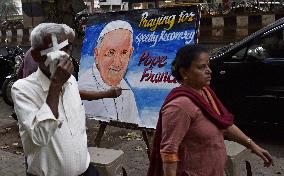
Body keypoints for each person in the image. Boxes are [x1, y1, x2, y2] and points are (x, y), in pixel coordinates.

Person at [147, 45, 273, 176]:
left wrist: (252, 145)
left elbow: (225, 125)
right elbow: (169, 152)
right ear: (184, 73)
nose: (209, 71)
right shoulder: (179, 107)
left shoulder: (206, 93)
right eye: (201, 67)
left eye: (208, 66)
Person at [11, 23, 98, 176]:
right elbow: (39, 137)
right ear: (36, 56)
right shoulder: (22, 89)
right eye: (54, 49)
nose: (63, 55)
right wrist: (55, 85)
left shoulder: (71, 80)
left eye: (66, 48)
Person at [78, 20, 140, 125]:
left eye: (124, 53)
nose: (117, 63)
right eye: (110, 53)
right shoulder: (84, 85)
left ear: (130, 55)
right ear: (96, 54)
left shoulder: (127, 92)